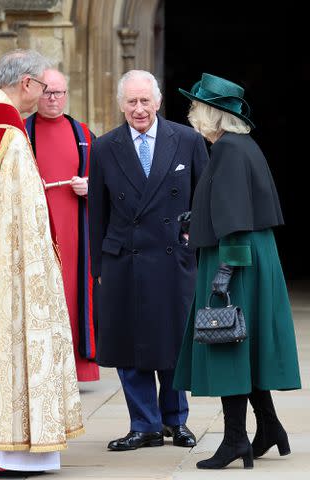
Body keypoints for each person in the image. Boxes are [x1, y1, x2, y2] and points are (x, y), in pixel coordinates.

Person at [173, 73, 301, 469]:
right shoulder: (243, 145)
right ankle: (269, 427)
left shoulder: (228, 150)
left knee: (227, 345)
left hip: (236, 256)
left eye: (196, 108)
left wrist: (224, 271)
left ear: (210, 114)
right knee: (246, 348)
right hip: (250, 254)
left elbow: (234, 216)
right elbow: (234, 202)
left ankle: (234, 440)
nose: (192, 115)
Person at [88, 69, 209, 451]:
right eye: (131, 101)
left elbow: (203, 199)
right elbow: (97, 211)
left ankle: (176, 421)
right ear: (121, 104)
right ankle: (144, 424)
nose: (139, 109)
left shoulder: (187, 140)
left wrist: (196, 241)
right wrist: (98, 267)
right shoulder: (105, 146)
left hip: (173, 259)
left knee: (172, 344)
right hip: (123, 259)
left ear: (157, 102)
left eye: (145, 101)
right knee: (129, 346)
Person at [0, 50, 84, 474]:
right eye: (43, 87)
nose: (45, 95)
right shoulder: (8, 133)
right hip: (12, 270)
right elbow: (21, 214)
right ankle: (11, 454)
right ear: (26, 83)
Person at [24, 69, 99, 382]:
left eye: (59, 93)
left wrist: (89, 186)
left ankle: (75, 370)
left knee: (72, 294)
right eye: (47, 93)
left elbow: (107, 182)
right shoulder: (21, 132)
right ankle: (42, 368)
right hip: (36, 229)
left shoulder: (82, 131)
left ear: (68, 94)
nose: (53, 99)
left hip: (75, 231)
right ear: (36, 93)